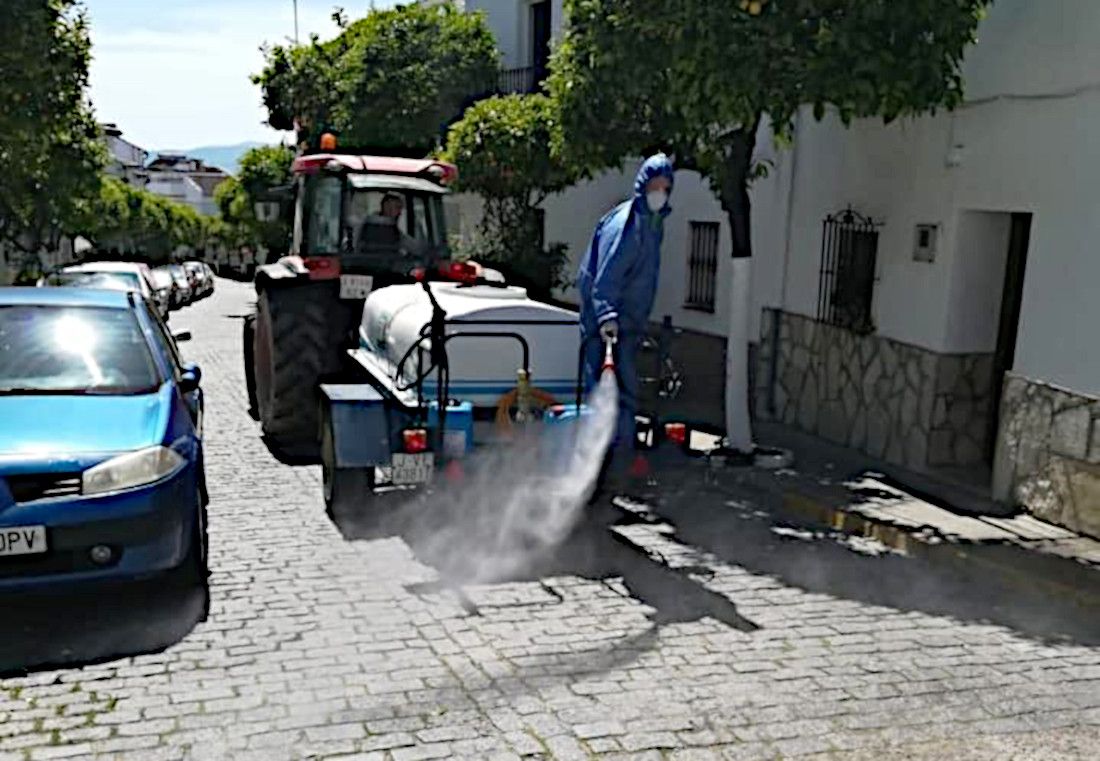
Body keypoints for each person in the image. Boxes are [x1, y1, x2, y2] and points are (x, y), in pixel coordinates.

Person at [577, 153, 675, 490]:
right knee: (609, 395)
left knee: (624, 394)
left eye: (665, 187)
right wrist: (606, 316)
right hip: (609, 326)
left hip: (628, 324)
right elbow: (606, 279)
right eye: (655, 186)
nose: (660, 192)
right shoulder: (627, 227)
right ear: (642, 186)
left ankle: (615, 464)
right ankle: (602, 468)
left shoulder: (652, 223)